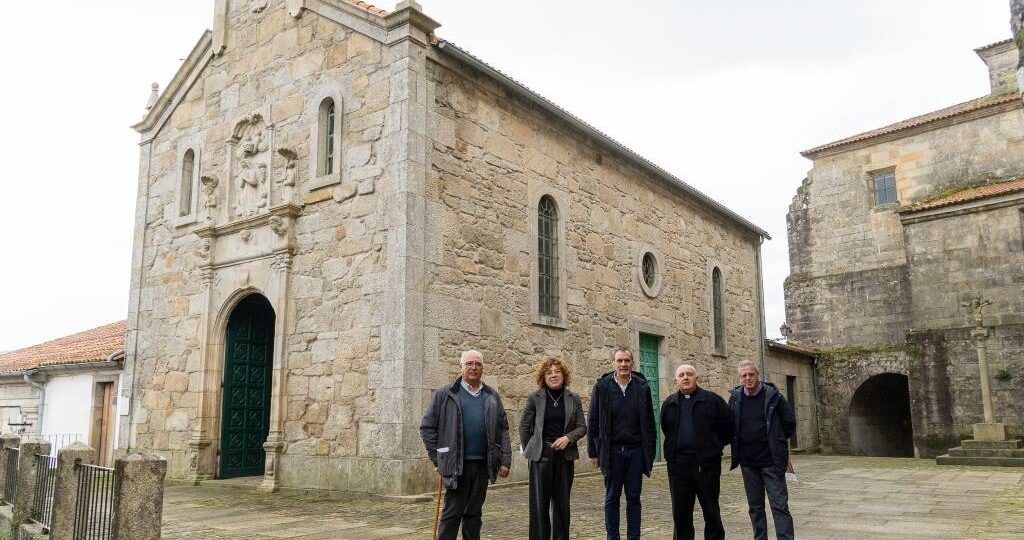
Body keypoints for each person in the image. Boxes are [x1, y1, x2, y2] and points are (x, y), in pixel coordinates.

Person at [420, 350, 512, 540]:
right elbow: (427, 427)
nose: (473, 367)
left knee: (474, 514)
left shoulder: (492, 395)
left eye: (477, 364)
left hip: (482, 465)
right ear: (460, 367)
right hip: (456, 465)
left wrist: (505, 460)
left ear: (483, 368)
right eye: (469, 363)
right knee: (452, 514)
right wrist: (439, 459)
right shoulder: (446, 394)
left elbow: (503, 428)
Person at [587, 347, 657, 540]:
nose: (623, 364)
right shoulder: (602, 387)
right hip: (612, 452)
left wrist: (649, 452)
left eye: (627, 361)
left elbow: (650, 422)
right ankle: (613, 537)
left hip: (635, 452)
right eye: (620, 361)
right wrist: (593, 452)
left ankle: (634, 537)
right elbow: (593, 420)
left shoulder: (642, 387)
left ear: (632, 363)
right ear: (614, 364)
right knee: (611, 498)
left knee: (634, 498)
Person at [660, 364, 733, 540]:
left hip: (706, 466)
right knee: (681, 514)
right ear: (676, 380)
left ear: (696, 378)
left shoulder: (712, 401)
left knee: (711, 512)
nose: (685, 377)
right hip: (678, 468)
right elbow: (666, 428)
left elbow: (729, 427)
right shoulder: (669, 404)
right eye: (681, 375)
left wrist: (714, 447)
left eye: (689, 374)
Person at [519, 357, 587, 540]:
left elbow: (582, 426)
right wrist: (532, 450)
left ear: (564, 375)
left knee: (562, 505)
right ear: (543, 376)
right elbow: (524, 427)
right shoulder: (535, 398)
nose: (554, 375)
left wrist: (568, 438)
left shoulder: (574, 398)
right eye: (549, 372)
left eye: (557, 372)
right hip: (541, 458)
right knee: (539, 506)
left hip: (565, 458)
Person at [729, 360, 796, 540]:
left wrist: (778, 441)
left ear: (758, 375)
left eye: (751, 374)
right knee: (755, 507)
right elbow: (731, 425)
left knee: (779, 506)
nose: (748, 378)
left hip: (771, 461)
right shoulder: (735, 398)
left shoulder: (774, 396)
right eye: (744, 375)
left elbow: (789, 422)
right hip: (748, 463)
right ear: (740, 378)